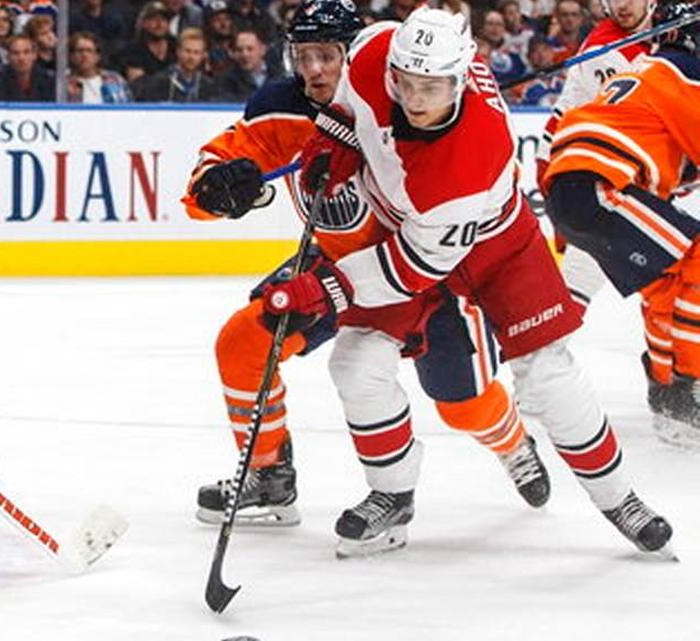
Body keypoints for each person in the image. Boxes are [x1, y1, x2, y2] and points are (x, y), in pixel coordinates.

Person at [261, 7, 673, 556]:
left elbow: (410, 268)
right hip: (405, 228)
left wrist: (325, 287)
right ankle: (392, 496)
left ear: (460, 80)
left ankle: (620, 499)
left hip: (497, 247)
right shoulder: (374, 49)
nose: (414, 99)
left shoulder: (466, 165)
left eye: (431, 87)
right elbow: (351, 102)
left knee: (547, 373)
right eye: (405, 82)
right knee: (356, 361)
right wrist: (335, 138)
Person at [186, 0, 551, 533]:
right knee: (243, 344)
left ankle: (513, 443)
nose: (313, 70)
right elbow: (218, 163)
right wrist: (218, 188)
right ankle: (268, 477)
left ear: (353, 55)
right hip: (335, 271)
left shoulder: (403, 106)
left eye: (326, 55)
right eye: (302, 56)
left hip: (422, 273)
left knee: (462, 404)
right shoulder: (280, 107)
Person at [543, 1, 700, 446]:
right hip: (602, 186)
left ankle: (671, 397)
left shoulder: (651, 67)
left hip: (580, 184)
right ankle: (687, 382)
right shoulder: (684, 72)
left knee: (666, 282)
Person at [534, 0, 658, 408]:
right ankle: (537, 375)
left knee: (672, 293)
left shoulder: (676, 33)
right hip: (614, 185)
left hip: (666, 182)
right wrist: (550, 180)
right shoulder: (599, 48)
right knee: (577, 281)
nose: (621, 5)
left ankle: (671, 381)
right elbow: (564, 116)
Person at [132, 27, 224, 102]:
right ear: (178, 51)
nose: (191, 57)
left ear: (203, 55)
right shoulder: (158, 82)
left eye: (196, 52)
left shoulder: (208, 86)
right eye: (187, 51)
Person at [0, 34, 54, 101]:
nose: (21, 58)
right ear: (8, 56)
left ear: (34, 55)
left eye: (26, 52)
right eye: (15, 53)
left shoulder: (49, 81)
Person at [67, 31, 133, 103]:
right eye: (80, 51)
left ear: (97, 56)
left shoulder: (115, 79)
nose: (84, 55)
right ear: (72, 56)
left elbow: (128, 105)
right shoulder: (64, 82)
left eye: (89, 50)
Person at [219, 29, 282, 101]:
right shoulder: (227, 81)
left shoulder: (280, 75)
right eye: (239, 50)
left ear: (262, 50)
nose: (245, 54)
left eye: (250, 49)